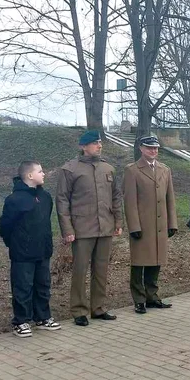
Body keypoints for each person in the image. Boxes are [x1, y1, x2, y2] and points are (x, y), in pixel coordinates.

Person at [55, 131, 123, 326]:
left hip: (105, 227)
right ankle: (78, 310)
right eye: (94, 143)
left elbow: (116, 197)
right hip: (82, 228)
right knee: (80, 269)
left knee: (101, 269)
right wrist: (67, 229)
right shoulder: (70, 169)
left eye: (100, 142)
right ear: (83, 146)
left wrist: (118, 223)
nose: (99, 146)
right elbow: (62, 201)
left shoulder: (108, 168)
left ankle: (99, 308)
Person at [0, 161, 61, 337]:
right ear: (30, 176)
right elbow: (5, 227)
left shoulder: (46, 197)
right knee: (23, 287)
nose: (44, 174)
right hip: (22, 253)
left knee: (43, 285)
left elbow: (46, 221)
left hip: (43, 250)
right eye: (40, 171)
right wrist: (17, 243)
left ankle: (42, 317)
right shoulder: (14, 199)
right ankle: (21, 321)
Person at [124, 135, 177, 310]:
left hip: (160, 226)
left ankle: (152, 296)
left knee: (156, 261)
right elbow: (130, 201)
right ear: (141, 148)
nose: (153, 151)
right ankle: (139, 299)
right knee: (140, 263)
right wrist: (134, 226)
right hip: (143, 225)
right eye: (149, 148)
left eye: (155, 148)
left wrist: (172, 223)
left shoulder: (165, 169)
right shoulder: (132, 170)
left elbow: (170, 199)